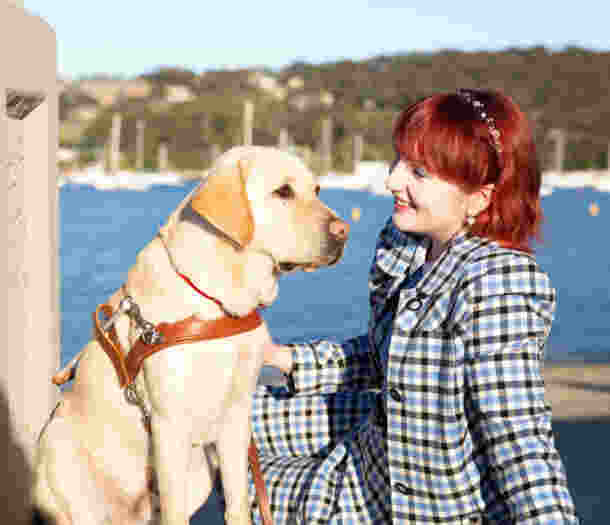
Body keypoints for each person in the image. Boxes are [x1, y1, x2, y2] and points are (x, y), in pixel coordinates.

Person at [249, 89, 579, 524]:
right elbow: (392, 355)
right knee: (220, 414)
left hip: (430, 504)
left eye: (418, 172)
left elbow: (517, 438)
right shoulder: (407, 243)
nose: (391, 181)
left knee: (246, 480)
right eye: (398, 161)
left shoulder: (500, 281)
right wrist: (283, 359)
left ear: (479, 198)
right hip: (372, 453)